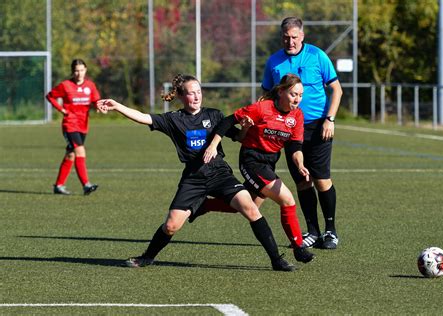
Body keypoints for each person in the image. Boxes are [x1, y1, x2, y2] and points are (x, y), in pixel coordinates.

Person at [96, 74, 295, 272]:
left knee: (251, 209)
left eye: (199, 92)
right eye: (191, 93)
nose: (197, 97)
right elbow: (143, 117)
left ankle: (276, 260)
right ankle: (147, 257)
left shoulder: (214, 115)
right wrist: (117, 106)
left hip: (220, 174)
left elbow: (240, 137)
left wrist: (245, 129)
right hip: (194, 179)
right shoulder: (174, 120)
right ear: (182, 97)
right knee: (171, 226)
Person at [202, 74, 314, 264]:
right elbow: (227, 121)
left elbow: (295, 148)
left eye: (301, 95)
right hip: (251, 160)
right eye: (294, 94)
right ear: (281, 91)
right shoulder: (262, 108)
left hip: (269, 163)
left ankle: (202, 205)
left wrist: (301, 165)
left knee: (247, 206)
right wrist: (213, 145)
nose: (298, 99)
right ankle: (298, 247)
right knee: (287, 199)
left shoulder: (297, 116)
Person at [261, 17, 343, 249]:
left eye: (294, 37)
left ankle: (330, 231)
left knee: (321, 179)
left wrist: (330, 119)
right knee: (302, 180)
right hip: (287, 128)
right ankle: (313, 231)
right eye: (286, 37)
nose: (290, 41)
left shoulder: (317, 56)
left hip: (318, 126)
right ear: (282, 37)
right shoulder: (274, 62)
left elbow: (336, 89)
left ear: (302, 36)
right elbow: (267, 96)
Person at [46, 59, 100, 196]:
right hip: (70, 124)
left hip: (83, 126)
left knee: (70, 155)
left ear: (86, 70)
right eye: (76, 70)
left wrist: (99, 107)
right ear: (72, 71)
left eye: (81, 70)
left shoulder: (90, 86)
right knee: (80, 152)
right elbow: (50, 96)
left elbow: (96, 101)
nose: (79, 73)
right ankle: (86, 185)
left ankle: (58, 186)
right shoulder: (66, 85)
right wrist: (61, 109)